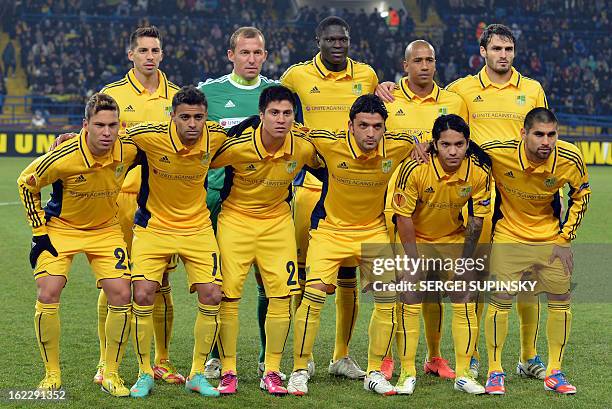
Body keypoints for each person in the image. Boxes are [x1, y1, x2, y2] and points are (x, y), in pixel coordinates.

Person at [377, 23, 550, 379]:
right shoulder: (461, 92)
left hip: (520, 197)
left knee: (522, 277)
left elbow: (541, 133)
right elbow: (454, 138)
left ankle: (528, 356)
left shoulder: (532, 90)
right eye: (497, 49)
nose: (503, 55)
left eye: (509, 49)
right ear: (482, 51)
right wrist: (384, 85)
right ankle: (465, 354)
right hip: (468, 196)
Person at [286, 94, 415, 396]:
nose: (370, 133)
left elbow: (421, 147)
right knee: (314, 295)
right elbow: (292, 133)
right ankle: (300, 368)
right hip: (330, 230)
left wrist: (422, 148)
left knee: (387, 298)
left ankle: (374, 372)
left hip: (372, 232)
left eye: (377, 126)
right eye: (363, 126)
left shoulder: (399, 146)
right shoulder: (328, 142)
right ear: (350, 126)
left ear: (385, 127)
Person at [17, 93, 137, 397]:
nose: (107, 132)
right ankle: (51, 375)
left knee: (122, 294)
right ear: (86, 125)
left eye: (112, 125)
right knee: (48, 291)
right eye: (99, 125)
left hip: (105, 229)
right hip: (62, 228)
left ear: (119, 125)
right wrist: (39, 231)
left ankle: (111, 373)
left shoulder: (129, 149)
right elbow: (25, 182)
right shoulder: (64, 155)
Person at [280, 16, 379, 380]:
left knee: (349, 273)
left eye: (344, 39)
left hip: (354, 188)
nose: (338, 44)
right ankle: (302, 357)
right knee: (306, 276)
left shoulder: (366, 74)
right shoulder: (295, 76)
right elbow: (279, 112)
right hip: (310, 187)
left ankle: (341, 355)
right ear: (317, 39)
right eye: (331, 39)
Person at [209, 85, 320, 396]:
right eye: (274, 113)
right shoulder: (236, 145)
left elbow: (331, 161)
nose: (281, 119)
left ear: (295, 117)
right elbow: (196, 160)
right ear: (261, 116)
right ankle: (228, 370)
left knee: (282, 297)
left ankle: (271, 370)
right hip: (235, 221)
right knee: (227, 297)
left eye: (287, 113)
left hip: (277, 223)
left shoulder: (303, 147)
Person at [481, 108, 590, 395]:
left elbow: (581, 195)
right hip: (509, 235)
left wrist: (566, 238)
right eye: (539, 134)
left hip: (550, 238)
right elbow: (462, 151)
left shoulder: (570, 158)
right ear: (523, 134)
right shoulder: (498, 152)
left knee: (561, 298)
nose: (546, 141)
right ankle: (495, 370)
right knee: (501, 298)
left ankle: (555, 370)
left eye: (552, 134)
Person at [127, 86, 226, 398]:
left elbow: (250, 133)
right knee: (143, 294)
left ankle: (197, 373)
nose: (192, 124)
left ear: (206, 117)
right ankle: (145, 372)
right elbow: (113, 133)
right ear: (172, 117)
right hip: (154, 226)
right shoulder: (149, 136)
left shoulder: (217, 136)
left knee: (213, 294)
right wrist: (70, 137)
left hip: (197, 228)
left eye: (198, 117)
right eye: (185, 117)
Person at [98, 26, 184, 385]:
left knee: (160, 283)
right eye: (144, 50)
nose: (150, 55)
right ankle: (107, 362)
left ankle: (160, 361)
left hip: (161, 204)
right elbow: (96, 138)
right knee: (114, 284)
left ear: (162, 54)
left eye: (156, 50)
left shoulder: (177, 97)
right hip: (118, 200)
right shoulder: (112, 94)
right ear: (130, 54)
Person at [197, 26, 278, 381]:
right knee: (219, 281)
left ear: (264, 55)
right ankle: (215, 356)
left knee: (266, 283)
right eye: (244, 53)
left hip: (265, 204)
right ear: (231, 55)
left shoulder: (275, 95)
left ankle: (264, 355)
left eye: (257, 52)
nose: (251, 59)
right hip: (216, 201)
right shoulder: (209, 92)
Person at [391, 114, 491, 395]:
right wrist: (412, 259)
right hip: (416, 239)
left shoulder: (478, 171)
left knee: (466, 291)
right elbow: (403, 217)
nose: (452, 151)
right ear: (434, 144)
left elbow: (476, 220)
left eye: (459, 144)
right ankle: (407, 372)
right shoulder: (415, 168)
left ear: (467, 143)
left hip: (451, 238)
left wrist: (465, 261)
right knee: (410, 291)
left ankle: (463, 373)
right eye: (445, 144)